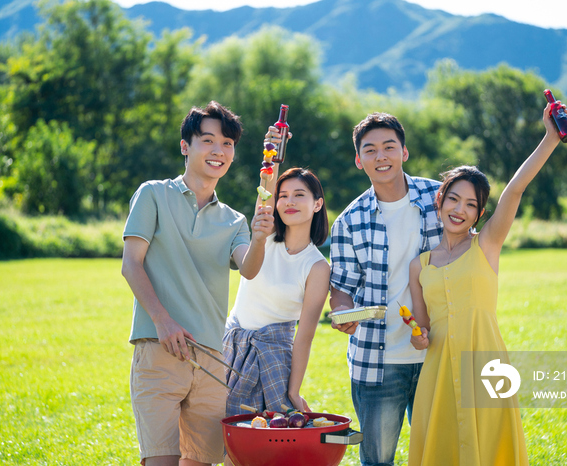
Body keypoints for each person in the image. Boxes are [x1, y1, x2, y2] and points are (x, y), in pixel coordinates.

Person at [406, 102, 567, 465]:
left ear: (480, 214)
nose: (459, 209)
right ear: (440, 201)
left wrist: (550, 139)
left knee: (492, 444)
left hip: (486, 363)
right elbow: (423, 329)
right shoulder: (420, 266)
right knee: (443, 446)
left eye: (470, 204)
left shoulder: (487, 245)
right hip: (439, 373)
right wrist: (418, 336)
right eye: (453, 199)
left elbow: (514, 191)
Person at [121, 101, 274, 466]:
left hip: (211, 359)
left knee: (201, 463)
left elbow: (249, 268)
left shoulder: (235, 220)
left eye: (227, 144)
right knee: (159, 461)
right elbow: (131, 265)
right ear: (185, 146)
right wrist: (162, 319)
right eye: (208, 140)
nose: (218, 151)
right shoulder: (153, 194)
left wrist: (259, 237)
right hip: (159, 350)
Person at [329, 112, 443, 466]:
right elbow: (342, 288)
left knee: (442, 454)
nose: (381, 157)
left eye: (389, 147)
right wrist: (343, 313)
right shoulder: (349, 221)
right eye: (371, 150)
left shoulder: (439, 198)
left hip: (439, 350)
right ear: (359, 160)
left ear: (404, 152)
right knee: (378, 459)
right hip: (377, 360)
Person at [223, 123, 330, 416]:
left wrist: (293, 389)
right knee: (223, 440)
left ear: (318, 203)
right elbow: (264, 190)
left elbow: (305, 334)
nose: (289, 202)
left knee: (263, 443)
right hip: (231, 349)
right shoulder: (264, 236)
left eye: (299, 195)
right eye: (283, 195)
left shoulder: (318, 266)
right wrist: (270, 154)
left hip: (274, 357)